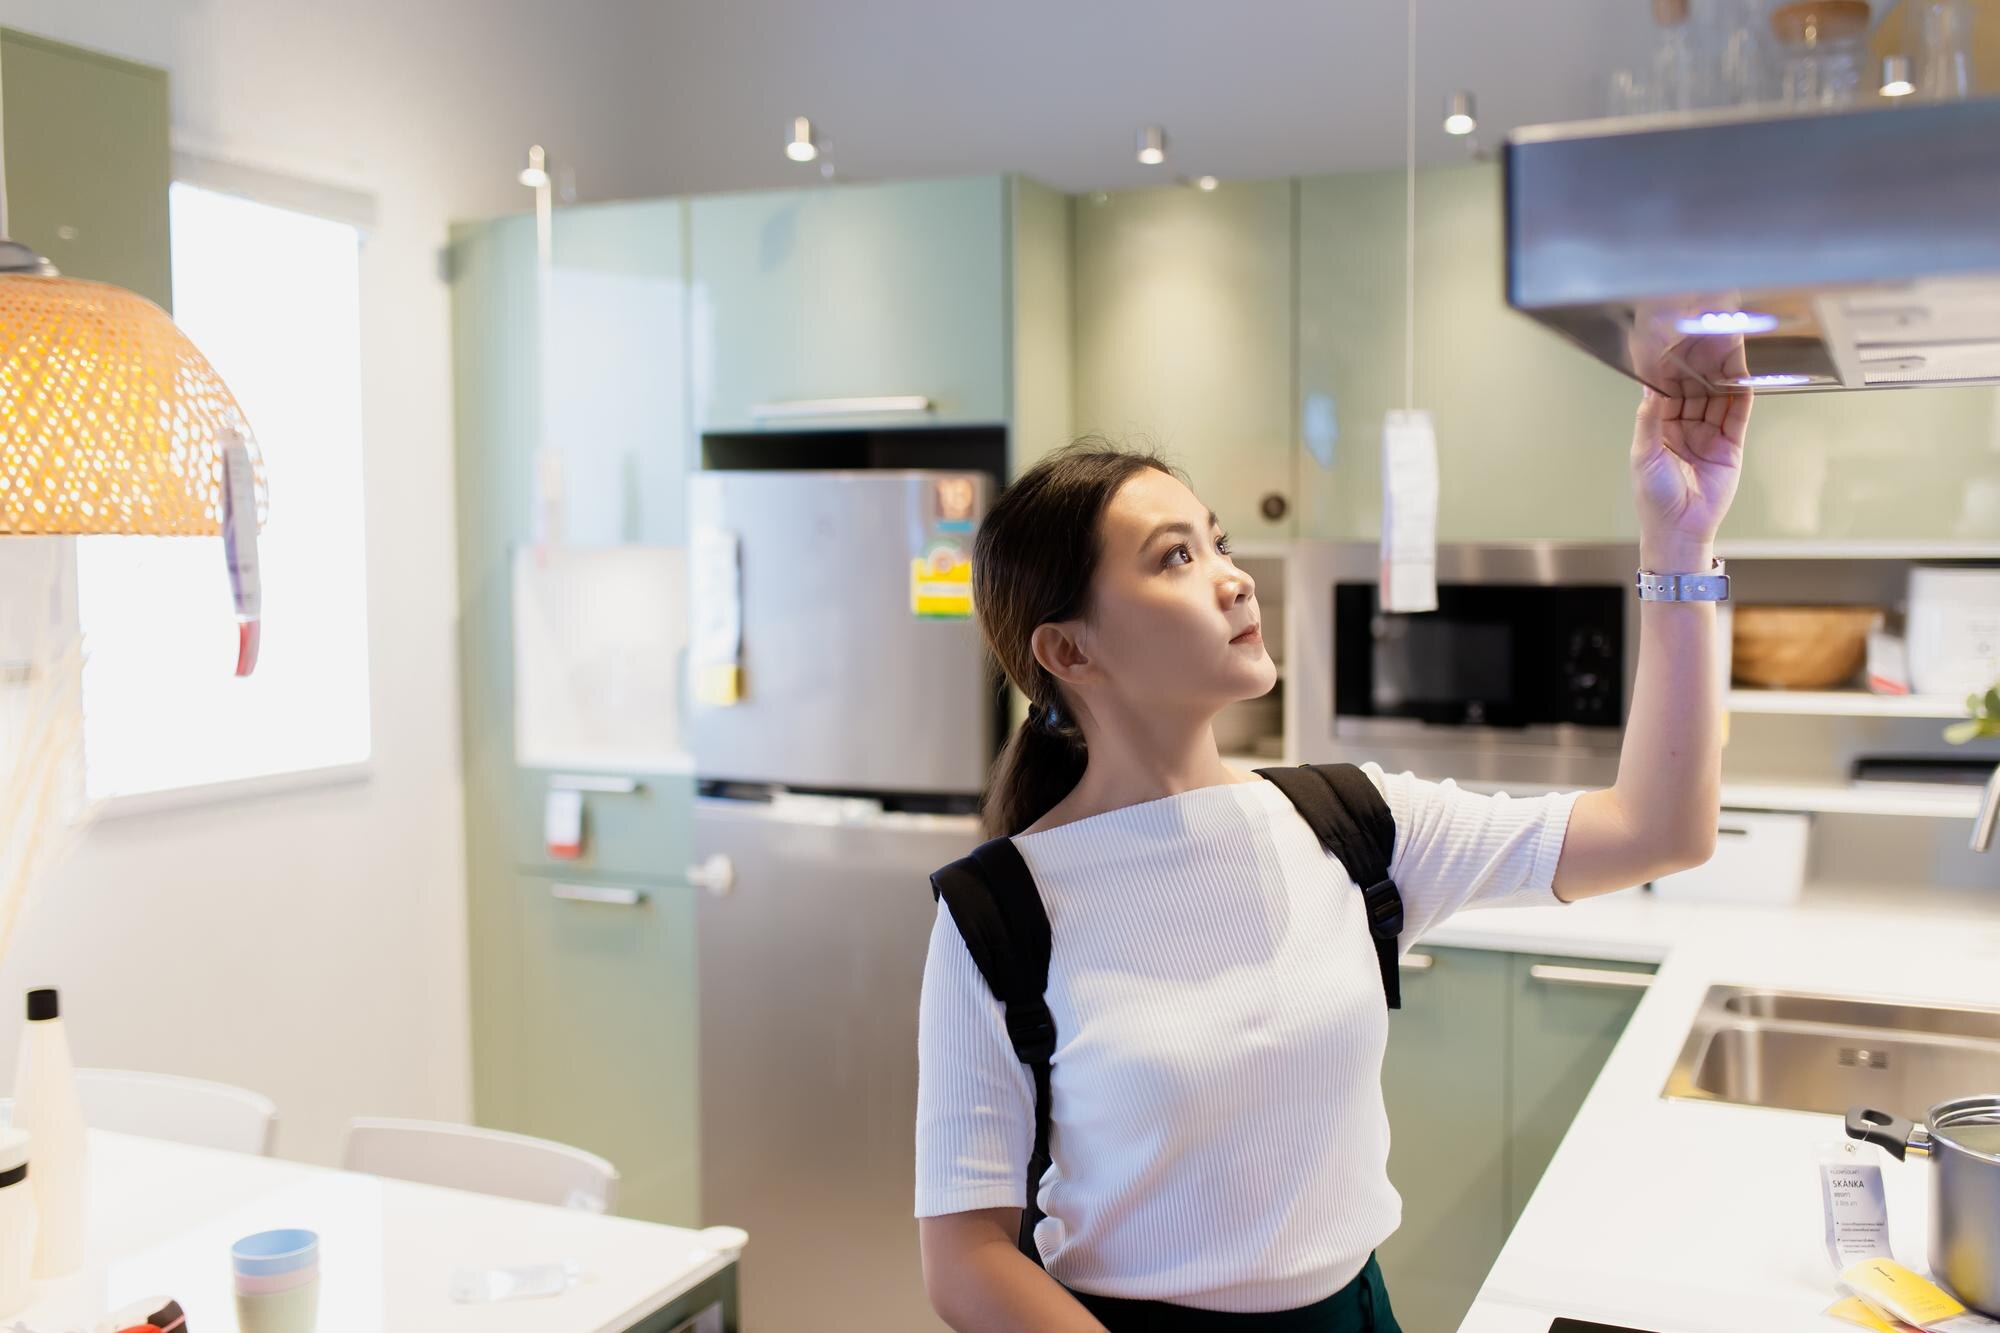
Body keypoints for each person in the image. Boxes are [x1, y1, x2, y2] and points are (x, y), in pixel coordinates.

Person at [914, 383, 1752, 1332]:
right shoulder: (999, 911)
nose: (1233, 577)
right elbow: (967, 1256)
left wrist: (1678, 548)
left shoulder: (1349, 821)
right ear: (1068, 649)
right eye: (1175, 558)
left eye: (1218, 542)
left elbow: (1660, 828)